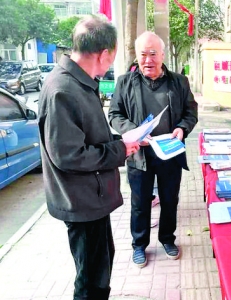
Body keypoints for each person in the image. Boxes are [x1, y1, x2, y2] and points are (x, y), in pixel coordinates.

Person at [38, 16, 140, 299]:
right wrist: (121, 150)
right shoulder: (63, 89)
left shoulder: (80, 83)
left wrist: (122, 143)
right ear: (104, 54)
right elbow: (69, 156)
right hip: (80, 200)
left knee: (100, 267)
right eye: (112, 57)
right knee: (91, 279)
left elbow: (88, 137)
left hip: (91, 198)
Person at [109, 31, 198, 267]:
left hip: (169, 152)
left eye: (153, 54)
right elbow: (115, 115)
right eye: (143, 54)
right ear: (137, 56)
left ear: (162, 54)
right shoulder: (124, 82)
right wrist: (133, 132)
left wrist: (182, 128)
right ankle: (139, 245)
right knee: (140, 204)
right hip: (139, 154)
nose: (148, 60)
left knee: (170, 200)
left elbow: (190, 112)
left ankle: (167, 239)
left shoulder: (179, 81)